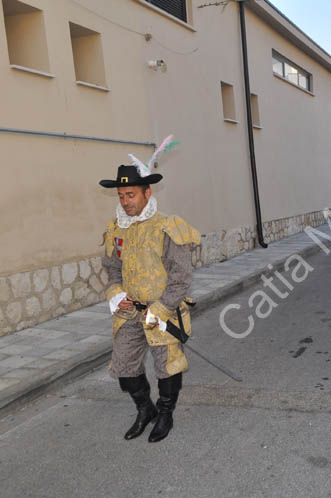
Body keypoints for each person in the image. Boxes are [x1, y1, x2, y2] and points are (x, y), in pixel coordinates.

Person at [99, 163, 201, 443]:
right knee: (124, 366)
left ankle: (166, 413)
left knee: (168, 365)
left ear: (147, 192)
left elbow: (181, 276)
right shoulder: (116, 229)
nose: (125, 201)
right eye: (121, 196)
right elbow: (112, 270)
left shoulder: (167, 227)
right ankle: (146, 409)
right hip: (129, 312)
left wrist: (162, 308)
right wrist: (116, 295)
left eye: (130, 195)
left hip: (162, 312)